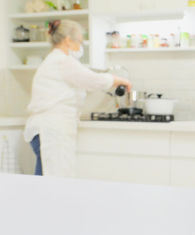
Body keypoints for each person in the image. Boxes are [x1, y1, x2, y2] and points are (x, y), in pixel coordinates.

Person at [24, 20, 131, 177]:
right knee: (54, 183)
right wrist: (121, 80)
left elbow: (83, 83)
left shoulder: (53, 60)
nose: (80, 46)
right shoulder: (63, 61)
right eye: (79, 41)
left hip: (44, 129)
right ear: (68, 40)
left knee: (44, 183)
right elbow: (93, 80)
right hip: (52, 131)